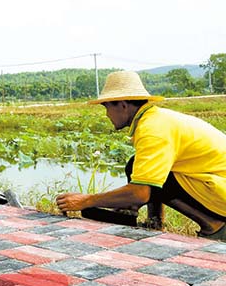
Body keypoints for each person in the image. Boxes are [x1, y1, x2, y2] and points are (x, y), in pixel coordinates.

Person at [56, 70, 226, 240]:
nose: (107, 115)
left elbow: (140, 193)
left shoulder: (153, 129)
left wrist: (86, 201)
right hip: (214, 182)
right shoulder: (153, 119)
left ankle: (215, 226)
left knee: (148, 179)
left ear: (122, 105)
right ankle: (154, 222)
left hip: (220, 189)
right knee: (138, 166)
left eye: (107, 108)